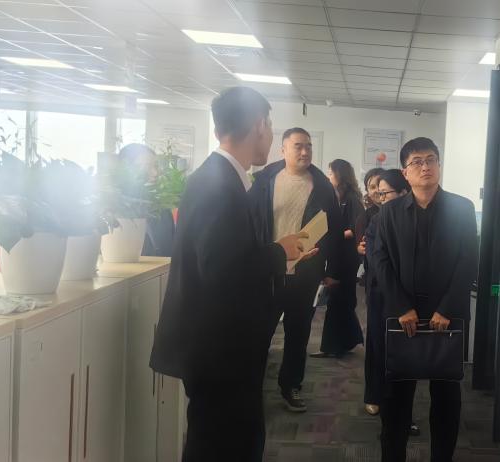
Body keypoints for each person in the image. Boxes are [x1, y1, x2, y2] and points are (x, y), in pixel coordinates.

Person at [149, 86, 311, 462]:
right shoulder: (218, 185)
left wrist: (279, 252)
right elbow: (223, 269)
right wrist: (279, 252)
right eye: (270, 126)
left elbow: (225, 256)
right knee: (223, 444)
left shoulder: (220, 177)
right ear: (259, 125)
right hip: (219, 350)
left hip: (220, 346)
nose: (270, 135)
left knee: (225, 440)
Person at [372, 138, 478, 462]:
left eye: (431, 159)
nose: (425, 167)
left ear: (439, 165)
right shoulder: (389, 212)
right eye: (417, 162)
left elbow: (468, 261)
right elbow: (380, 260)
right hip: (403, 317)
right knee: (396, 399)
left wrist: (447, 308)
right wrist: (400, 307)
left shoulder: (461, 208)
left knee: (446, 398)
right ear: (405, 172)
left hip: (447, 317)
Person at [249, 127, 346, 413]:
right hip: (268, 271)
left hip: (305, 272)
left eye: (309, 146)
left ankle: (290, 385)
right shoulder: (264, 181)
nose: (305, 152)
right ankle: (251, 386)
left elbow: (335, 230)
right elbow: (250, 223)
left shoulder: (322, 186)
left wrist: (330, 268)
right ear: (283, 150)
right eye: (298, 146)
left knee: (298, 333)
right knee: (259, 333)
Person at [359, 169, 409, 417]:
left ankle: (400, 408)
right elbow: (376, 261)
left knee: (405, 352)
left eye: (386, 194)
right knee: (378, 345)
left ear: (404, 193)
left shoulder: (415, 218)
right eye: (379, 194)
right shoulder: (377, 221)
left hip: (410, 295)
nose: (381, 199)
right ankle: (374, 395)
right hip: (382, 293)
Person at [312, 159, 365, 358]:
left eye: (331, 172)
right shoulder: (336, 197)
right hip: (338, 254)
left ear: (340, 174)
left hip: (346, 257)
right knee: (341, 300)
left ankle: (332, 346)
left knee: (338, 300)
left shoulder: (351, 199)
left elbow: (355, 228)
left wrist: (333, 234)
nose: (328, 176)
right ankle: (347, 341)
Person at [117, 143, 175, 257]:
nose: (155, 173)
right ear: (127, 169)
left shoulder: (162, 210)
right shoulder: (114, 209)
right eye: (147, 167)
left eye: (156, 166)